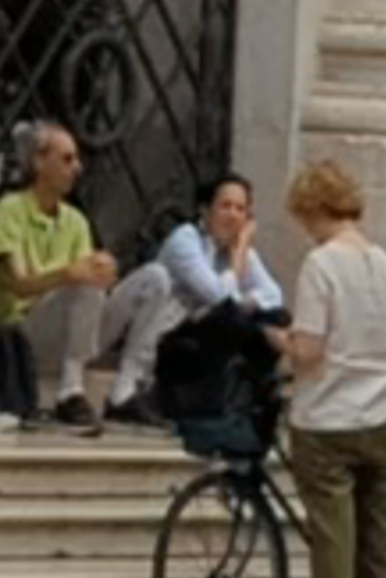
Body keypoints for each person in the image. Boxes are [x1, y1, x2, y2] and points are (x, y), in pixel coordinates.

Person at [278, 156, 386, 578]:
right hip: (383, 414)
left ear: (313, 209)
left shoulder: (322, 265)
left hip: (328, 418)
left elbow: (309, 349)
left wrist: (275, 341)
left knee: (334, 547)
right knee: (379, 546)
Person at [99, 172, 286, 434]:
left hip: (198, 331)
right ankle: (127, 391)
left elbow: (274, 295)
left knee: (276, 317)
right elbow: (218, 297)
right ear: (205, 211)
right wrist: (239, 256)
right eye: (225, 206)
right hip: (163, 336)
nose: (233, 215)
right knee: (164, 280)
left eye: (241, 209)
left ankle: (246, 402)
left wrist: (246, 298)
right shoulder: (186, 240)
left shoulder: (238, 252)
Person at [0, 121, 119, 428]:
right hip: (25, 331)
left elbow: (87, 286)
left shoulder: (76, 221)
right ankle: (71, 391)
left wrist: (105, 272)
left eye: (76, 159)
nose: (77, 168)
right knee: (82, 281)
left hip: (72, 332)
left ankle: (128, 388)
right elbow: (18, 285)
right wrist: (67, 274)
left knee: (153, 281)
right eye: (67, 159)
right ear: (39, 161)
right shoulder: (10, 209)